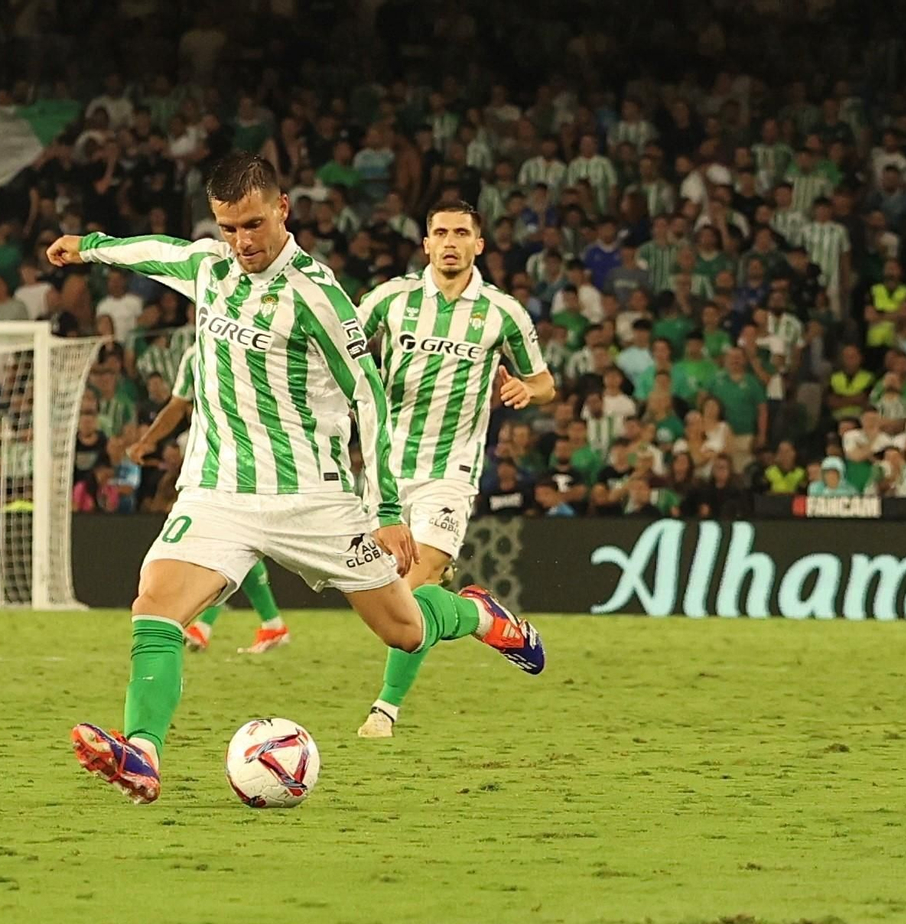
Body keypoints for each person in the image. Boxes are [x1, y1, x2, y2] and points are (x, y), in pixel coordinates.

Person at [46, 152, 544, 804]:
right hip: (220, 488)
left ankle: (473, 613)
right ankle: (142, 753)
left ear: (283, 209)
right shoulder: (210, 266)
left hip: (317, 499)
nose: (241, 242)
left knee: (405, 629)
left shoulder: (317, 294)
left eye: (252, 224)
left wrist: (388, 504)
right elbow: (156, 250)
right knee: (155, 604)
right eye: (228, 227)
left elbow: (369, 394)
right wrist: (89, 246)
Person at [352, 200, 555, 738]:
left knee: (415, 586)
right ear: (425, 243)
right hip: (385, 472)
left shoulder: (502, 312)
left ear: (478, 245)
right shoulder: (390, 299)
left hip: (452, 470)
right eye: (439, 231)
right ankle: (485, 618)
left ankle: (385, 710)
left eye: (461, 233)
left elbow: (545, 381)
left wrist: (523, 389)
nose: (449, 241)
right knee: (386, 599)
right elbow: (340, 346)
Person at [127, 346, 292, 654]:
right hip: (215, 470)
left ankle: (208, 626)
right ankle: (269, 626)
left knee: (229, 545)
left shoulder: (262, 344)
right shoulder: (196, 354)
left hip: (257, 464)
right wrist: (148, 440)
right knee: (236, 546)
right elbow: (178, 406)